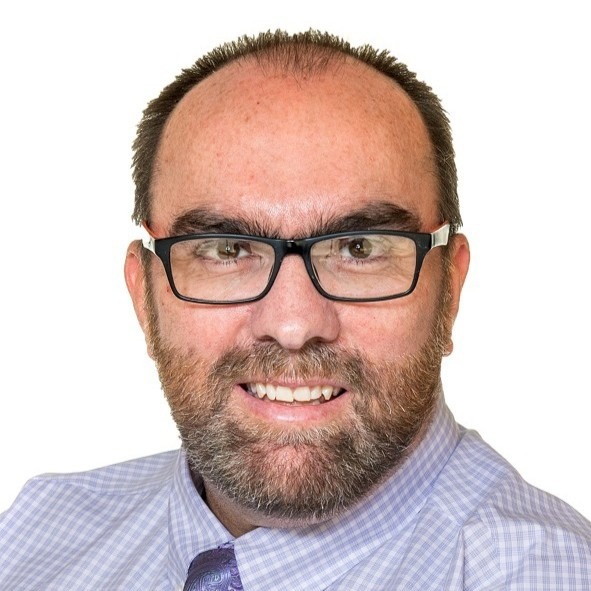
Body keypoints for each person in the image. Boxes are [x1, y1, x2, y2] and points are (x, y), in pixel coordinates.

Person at [1, 30, 590, 590]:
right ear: (143, 295)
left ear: (450, 290)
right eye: (227, 249)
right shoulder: (33, 535)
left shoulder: (550, 575)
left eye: (358, 249)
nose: (292, 325)